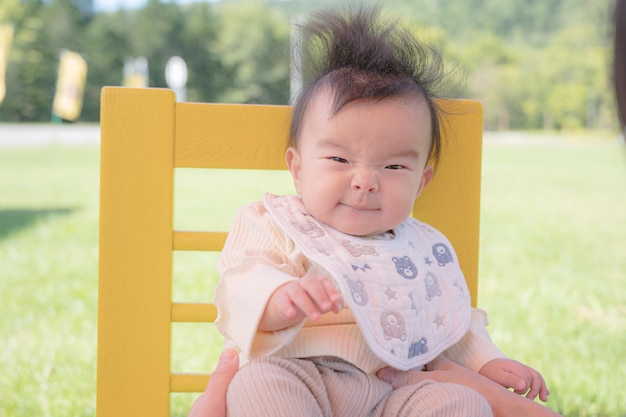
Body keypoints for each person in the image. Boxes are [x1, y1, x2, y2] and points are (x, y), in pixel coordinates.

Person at [213, 5, 550, 417]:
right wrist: (280, 298)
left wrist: (486, 363)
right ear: (298, 170)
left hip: (395, 391)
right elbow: (241, 279)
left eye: (393, 167)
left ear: (421, 182)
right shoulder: (275, 223)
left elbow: (452, 321)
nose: (365, 181)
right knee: (258, 384)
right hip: (300, 375)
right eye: (339, 160)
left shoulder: (423, 247)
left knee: (462, 400)